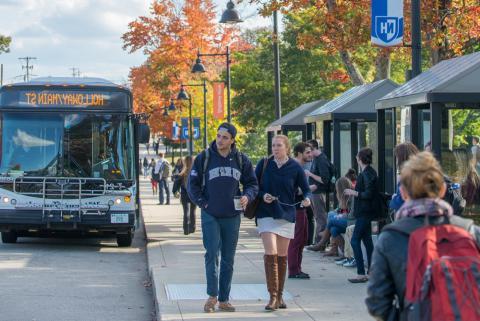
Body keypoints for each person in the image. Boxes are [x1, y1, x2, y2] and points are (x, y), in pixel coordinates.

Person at [366, 152, 480, 320]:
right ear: (442, 190)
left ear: (404, 193)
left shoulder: (391, 237)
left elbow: (377, 303)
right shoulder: (471, 232)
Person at [188, 123, 258, 313]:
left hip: (232, 215)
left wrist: (248, 196)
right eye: (218, 136)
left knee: (228, 258)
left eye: (225, 137)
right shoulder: (205, 157)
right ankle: (212, 296)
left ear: (233, 140)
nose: (220, 140)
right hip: (211, 214)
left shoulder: (241, 159)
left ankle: (224, 299)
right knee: (212, 254)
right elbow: (191, 185)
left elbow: (252, 183)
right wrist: (203, 203)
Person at [256, 135, 311, 311]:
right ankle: (272, 297)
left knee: (281, 256)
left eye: (279, 145)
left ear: (287, 148)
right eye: (273, 145)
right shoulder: (264, 164)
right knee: (270, 252)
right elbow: (253, 186)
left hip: (286, 214)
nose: (275, 148)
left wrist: (307, 200)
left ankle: (280, 296)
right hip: (266, 213)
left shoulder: (295, 167)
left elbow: (307, 190)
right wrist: (262, 195)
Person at [344, 147, 378, 283]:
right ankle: (371, 271)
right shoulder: (368, 172)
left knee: (355, 240)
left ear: (360, 159)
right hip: (366, 211)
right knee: (367, 241)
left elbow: (368, 194)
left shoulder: (366, 174)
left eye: (357, 157)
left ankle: (361, 272)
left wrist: (354, 192)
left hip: (364, 211)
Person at [288, 142, 315, 279]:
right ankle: (293, 270)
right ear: (299, 153)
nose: (311, 154)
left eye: (310, 152)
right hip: (295, 207)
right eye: (308, 152)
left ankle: (297, 268)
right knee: (296, 239)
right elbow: (290, 188)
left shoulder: (299, 166)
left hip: (301, 207)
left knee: (302, 238)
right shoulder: (294, 166)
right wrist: (307, 190)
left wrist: (306, 191)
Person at [314, 177, 352, 257]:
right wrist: (337, 213)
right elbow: (340, 210)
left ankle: (322, 243)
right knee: (333, 229)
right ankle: (342, 252)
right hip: (345, 220)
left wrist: (340, 214)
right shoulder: (342, 197)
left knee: (331, 219)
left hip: (350, 221)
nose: (336, 190)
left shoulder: (350, 196)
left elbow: (350, 212)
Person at [305, 139, 332, 251]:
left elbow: (325, 179)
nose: (308, 154)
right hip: (315, 192)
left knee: (320, 217)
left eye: (308, 151)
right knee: (318, 217)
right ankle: (319, 242)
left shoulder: (321, 160)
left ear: (314, 149)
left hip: (319, 192)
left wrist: (310, 174)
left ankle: (320, 243)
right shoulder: (317, 159)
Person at [389, 142, 419, 212]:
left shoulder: (407, 177)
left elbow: (400, 202)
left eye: (397, 158)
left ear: (402, 159)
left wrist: (394, 199)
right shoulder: (420, 173)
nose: (396, 161)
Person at [174, 156, 196, 235]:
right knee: (193, 211)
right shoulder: (195, 172)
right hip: (193, 195)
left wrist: (175, 191)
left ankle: (186, 229)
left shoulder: (182, 172)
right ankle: (192, 228)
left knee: (186, 212)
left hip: (184, 195)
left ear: (185, 162)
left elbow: (176, 183)